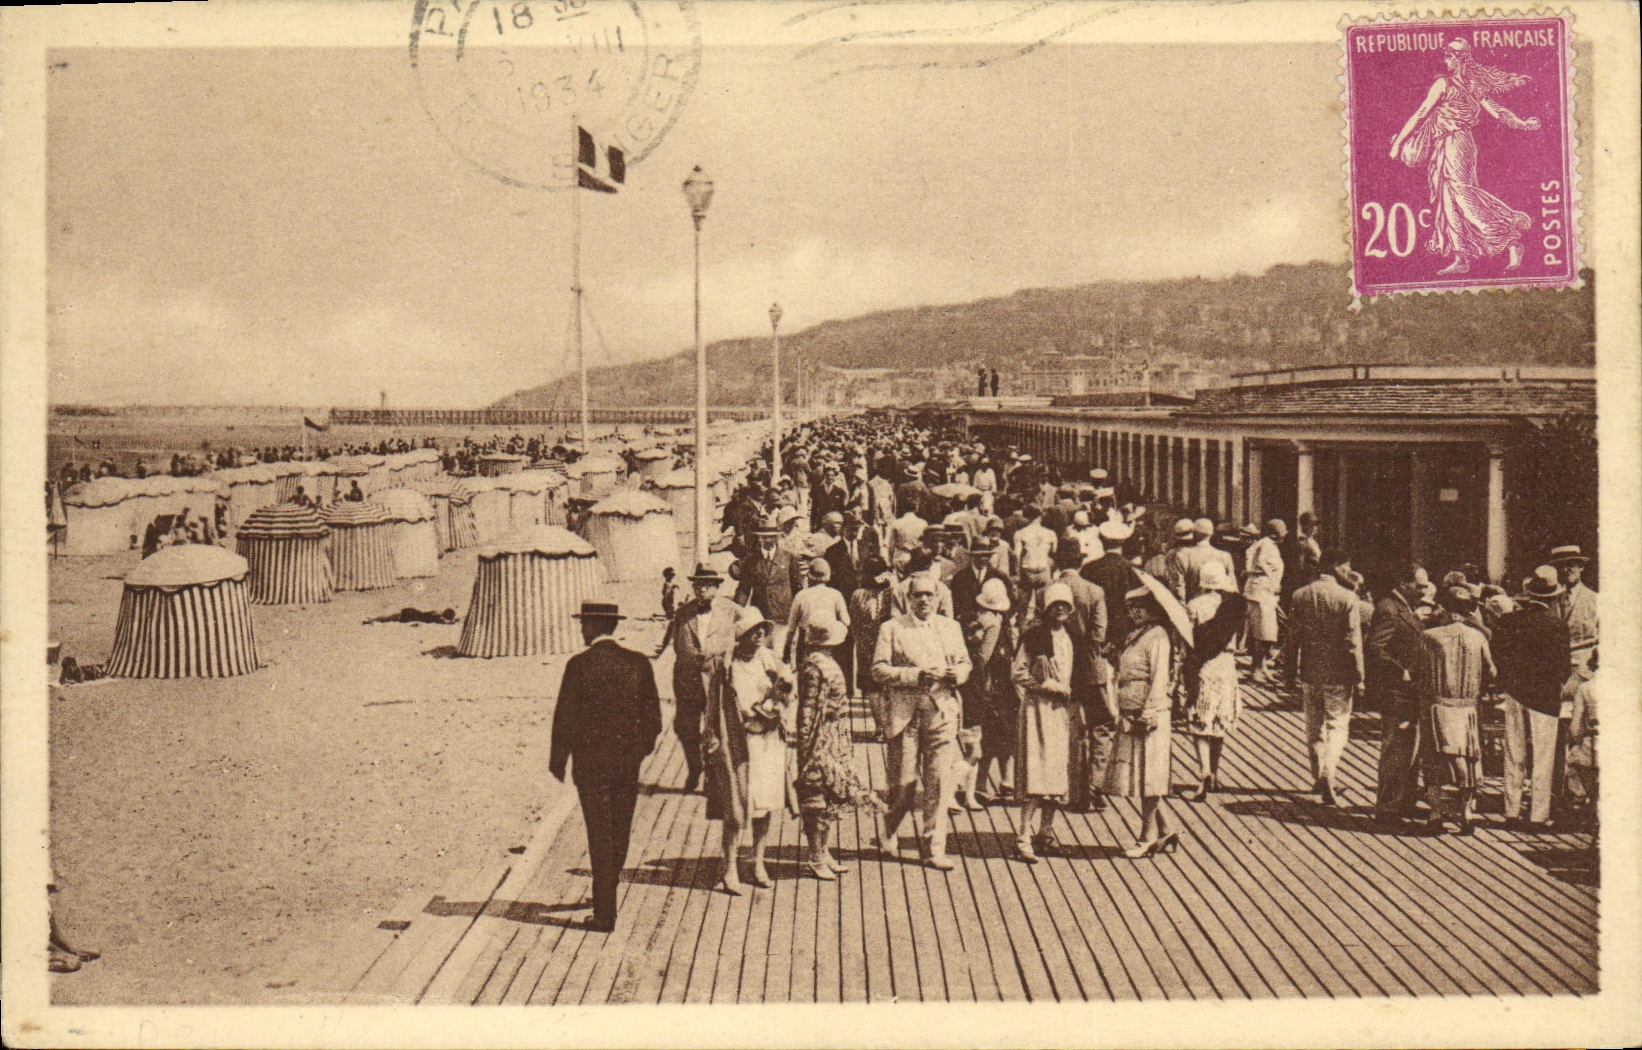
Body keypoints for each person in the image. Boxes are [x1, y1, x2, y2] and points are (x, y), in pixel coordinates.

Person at [549, 601, 662, 932]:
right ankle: (607, 890)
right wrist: (640, 750)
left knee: (599, 833)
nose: (582, 630)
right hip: (626, 764)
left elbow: (564, 718)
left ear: (592, 627)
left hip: (590, 765)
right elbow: (653, 717)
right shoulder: (638, 663)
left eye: (584, 624)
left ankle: (604, 913)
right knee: (620, 828)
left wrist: (559, 760)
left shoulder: (578, 666)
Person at [1388, 37, 1540, 275]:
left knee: (1462, 196)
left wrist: (1398, 143)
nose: (1445, 60)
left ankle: (1510, 237)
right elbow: (1499, 112)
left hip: (1456, 143)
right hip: (1447, 144)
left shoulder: (1444, 84)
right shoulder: (1472, 86)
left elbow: (1420, 114)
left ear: (1457, 59)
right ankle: (1462, 257)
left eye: (1449, 56)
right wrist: (1522, 124)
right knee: (1448, 200)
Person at [871, 572, 972, 871]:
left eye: (929, 594)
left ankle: (932, 848)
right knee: (903, 786)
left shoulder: (950, 627)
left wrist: (960, 674)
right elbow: (877, 669)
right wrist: (912, 676)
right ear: (908, 598)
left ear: (938, 597)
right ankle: (888, 831)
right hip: (906, 716)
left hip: (941, 711)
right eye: (918, 595)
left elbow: (965, 661)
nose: (924, 600)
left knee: (939, 783)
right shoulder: (892, 628)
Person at [702, 606, 795, 894]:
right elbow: (713, 705)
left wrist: (777, 706)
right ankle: (730, 867)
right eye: (754, 631)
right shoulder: (725, 665)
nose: (760, 635)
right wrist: (711, 738)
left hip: (767, 742)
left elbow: (787, 691)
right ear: (741, 635)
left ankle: (758, 862)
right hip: (738, 742)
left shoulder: (770, 660)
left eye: (763, 631)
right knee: (736, 806)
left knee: (764, 805)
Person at [1010, 583, 1095, 862]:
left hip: (1064, 713)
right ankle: (1023, 836)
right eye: (1054, 605)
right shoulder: (1034, 636)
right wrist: (1045, 685)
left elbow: (1080, 677)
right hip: (1039, 711)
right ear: (1047, 608)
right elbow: (1018, 673)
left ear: (1071, 609)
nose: (1060, 610)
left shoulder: (1074, 637)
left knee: (1058, 775)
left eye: (1065, 605)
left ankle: (1045, 832)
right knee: (1037, 774)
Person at [795, 619, 882, 880]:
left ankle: (823, 850)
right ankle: (815, 855)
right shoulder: (814, 666)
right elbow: (809, 711)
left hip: (835, 734)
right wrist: (809, 748)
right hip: (821, 739)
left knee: (832, 794)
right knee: (817, 797)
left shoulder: (822, 661)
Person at [1492, 566, 1572, 830]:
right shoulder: (1558, 625)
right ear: (1553, 597)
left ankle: (1511, 811)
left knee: (1514, 753)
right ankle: (1538, 815)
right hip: (1545, 698)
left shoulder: (1512, 621)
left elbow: (1499, 656)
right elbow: (1563, 668)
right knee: (1543, 756)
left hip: (1515, 694)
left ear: (1530, 593)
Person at [1415, 586, 1497, 835]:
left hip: (1439, 705)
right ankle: (1466, 812)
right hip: (1468, 707)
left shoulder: (1431, 636)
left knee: (1433, 760)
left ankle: (1436, 813)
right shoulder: (1478, 638)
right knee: (1470, 758)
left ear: (1445, 609)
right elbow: (1492, 671)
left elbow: (1417, 670)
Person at [1287, 551, 1365, 807]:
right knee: (1337, 725)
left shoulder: (1300, 595)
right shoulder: (1347, 598)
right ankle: (1329, 771)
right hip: (1339, 673)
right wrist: (1359, 676)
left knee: (1313, 727)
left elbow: (1293, 638)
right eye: (1346, 567)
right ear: (1335, 568)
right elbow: (1353, 641)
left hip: (1310, 670)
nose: (1348, 572)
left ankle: (1317, 775)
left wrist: (1289, 671)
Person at [1106, 588, 1180, 857]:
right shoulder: (1135, 635)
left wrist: (1148, 713)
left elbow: (1159, 677)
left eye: (1141, 607)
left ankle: (1146, 836)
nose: (1134, 612)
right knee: (1141, 772)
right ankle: (1165, 830)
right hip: (1130, 708)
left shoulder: (1158, 636)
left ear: (1153, 609)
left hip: (1148, 712)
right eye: (1131, 607)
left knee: (1149, 775)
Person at [656, 564, 739, 794]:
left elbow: (749, 634)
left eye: (706, 586)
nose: (700, 590)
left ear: (716, 588)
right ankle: (695, 766)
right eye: (697, 585)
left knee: (714, 730)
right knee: (684, 727)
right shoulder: (684, 613)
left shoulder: (731, 611)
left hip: (716, 679)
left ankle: (712, 780)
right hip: (687, 680)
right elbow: (675, 644)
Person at [1370, 564, 1433, 830]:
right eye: (1420, 586)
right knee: (1396, 750)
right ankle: (1387, 810)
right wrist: (1401, 671)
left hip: (1411, 693)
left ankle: (1405, 802)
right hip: (1397, 692)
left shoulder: (1405, 608)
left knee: (1411, 750)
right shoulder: (1389, 609)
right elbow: (1376, 647)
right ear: (1405, 584)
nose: (1424, 591)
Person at [1184, 561, 1245, 802]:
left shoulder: (1194, 605)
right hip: (1226, 663)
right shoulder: (1230, 605)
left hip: (1203, 665)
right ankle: (1216, 773)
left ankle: (1204, 771)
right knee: (1220, 718)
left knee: (1200, 718)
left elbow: (1189, 640)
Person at [962, 577, 1018, 804]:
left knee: (993, 737)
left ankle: (987, 783)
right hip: (995, 686)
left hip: (989, 685)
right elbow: (983, 658)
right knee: (999, 736)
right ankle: (995, 783)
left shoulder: (977, 619)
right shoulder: (994, 623)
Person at [1242, 519, 1287, 685]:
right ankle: (1257, 670)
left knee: (1265, 632)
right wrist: (1271, 579)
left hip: (1262, 592)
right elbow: (1259, 561)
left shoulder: (1265, 543)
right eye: (1283, 531)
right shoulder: (1267, 544)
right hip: (1262, 592)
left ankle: (1261, 667)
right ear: (1276, 532)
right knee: (1263, 633)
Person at [785, 557, 851, 667]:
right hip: (830, 646)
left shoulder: (801, 596)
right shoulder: (835, 595)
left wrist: (786, 650)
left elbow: (791, 628)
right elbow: (846, 621)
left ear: (809, 576)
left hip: (807, 645)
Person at [1549, 545, 1598, 674]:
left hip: (1584, 668)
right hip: (1555, 668)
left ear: (1581, 567)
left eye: (1570, 565)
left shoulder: (1596, 600)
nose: (1566, 570)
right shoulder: (1551, 600)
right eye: (1561, 566)